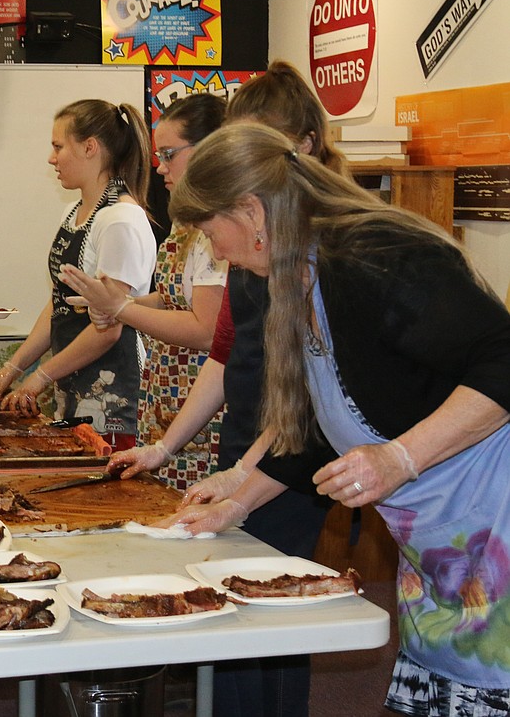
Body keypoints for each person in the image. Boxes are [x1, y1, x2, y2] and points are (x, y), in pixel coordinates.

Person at [163, 119, 510, 717]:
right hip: (440, 552)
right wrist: (240, 501)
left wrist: (401, 456)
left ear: (251, 212)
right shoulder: (299, 280)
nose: (212, 248)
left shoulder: (378, 257)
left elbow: (503, 359)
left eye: (208, 229)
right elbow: (320, 424)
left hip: (494, 527)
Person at [61, 62, 349, 717]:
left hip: (289, 455)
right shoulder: (250, 230)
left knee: (269, 624)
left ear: (302, 145)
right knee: (231, 617)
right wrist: (167, 449)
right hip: (245, 444)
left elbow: (307, 387)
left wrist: (247, 472)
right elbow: (228, 350)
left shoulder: (314, 243)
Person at [60, 93, 228, 489]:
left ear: (208, 151)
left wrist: (120, 308)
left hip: (203, 406)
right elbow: (172, 298)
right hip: (168, 400)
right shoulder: (185, 217)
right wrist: (119, 303)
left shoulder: (219, 225)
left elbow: (207, 329)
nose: (160, 166)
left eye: (170, 154)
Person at [0, 100, 156, 448]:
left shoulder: (121, 220)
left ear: (90, 147)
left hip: (115, 396)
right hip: (73, 386)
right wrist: (13, 369)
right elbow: (59, 305)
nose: (51, 157)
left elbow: (109, 328)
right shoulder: (73, 212)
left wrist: (41, 376)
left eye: (58, 146)